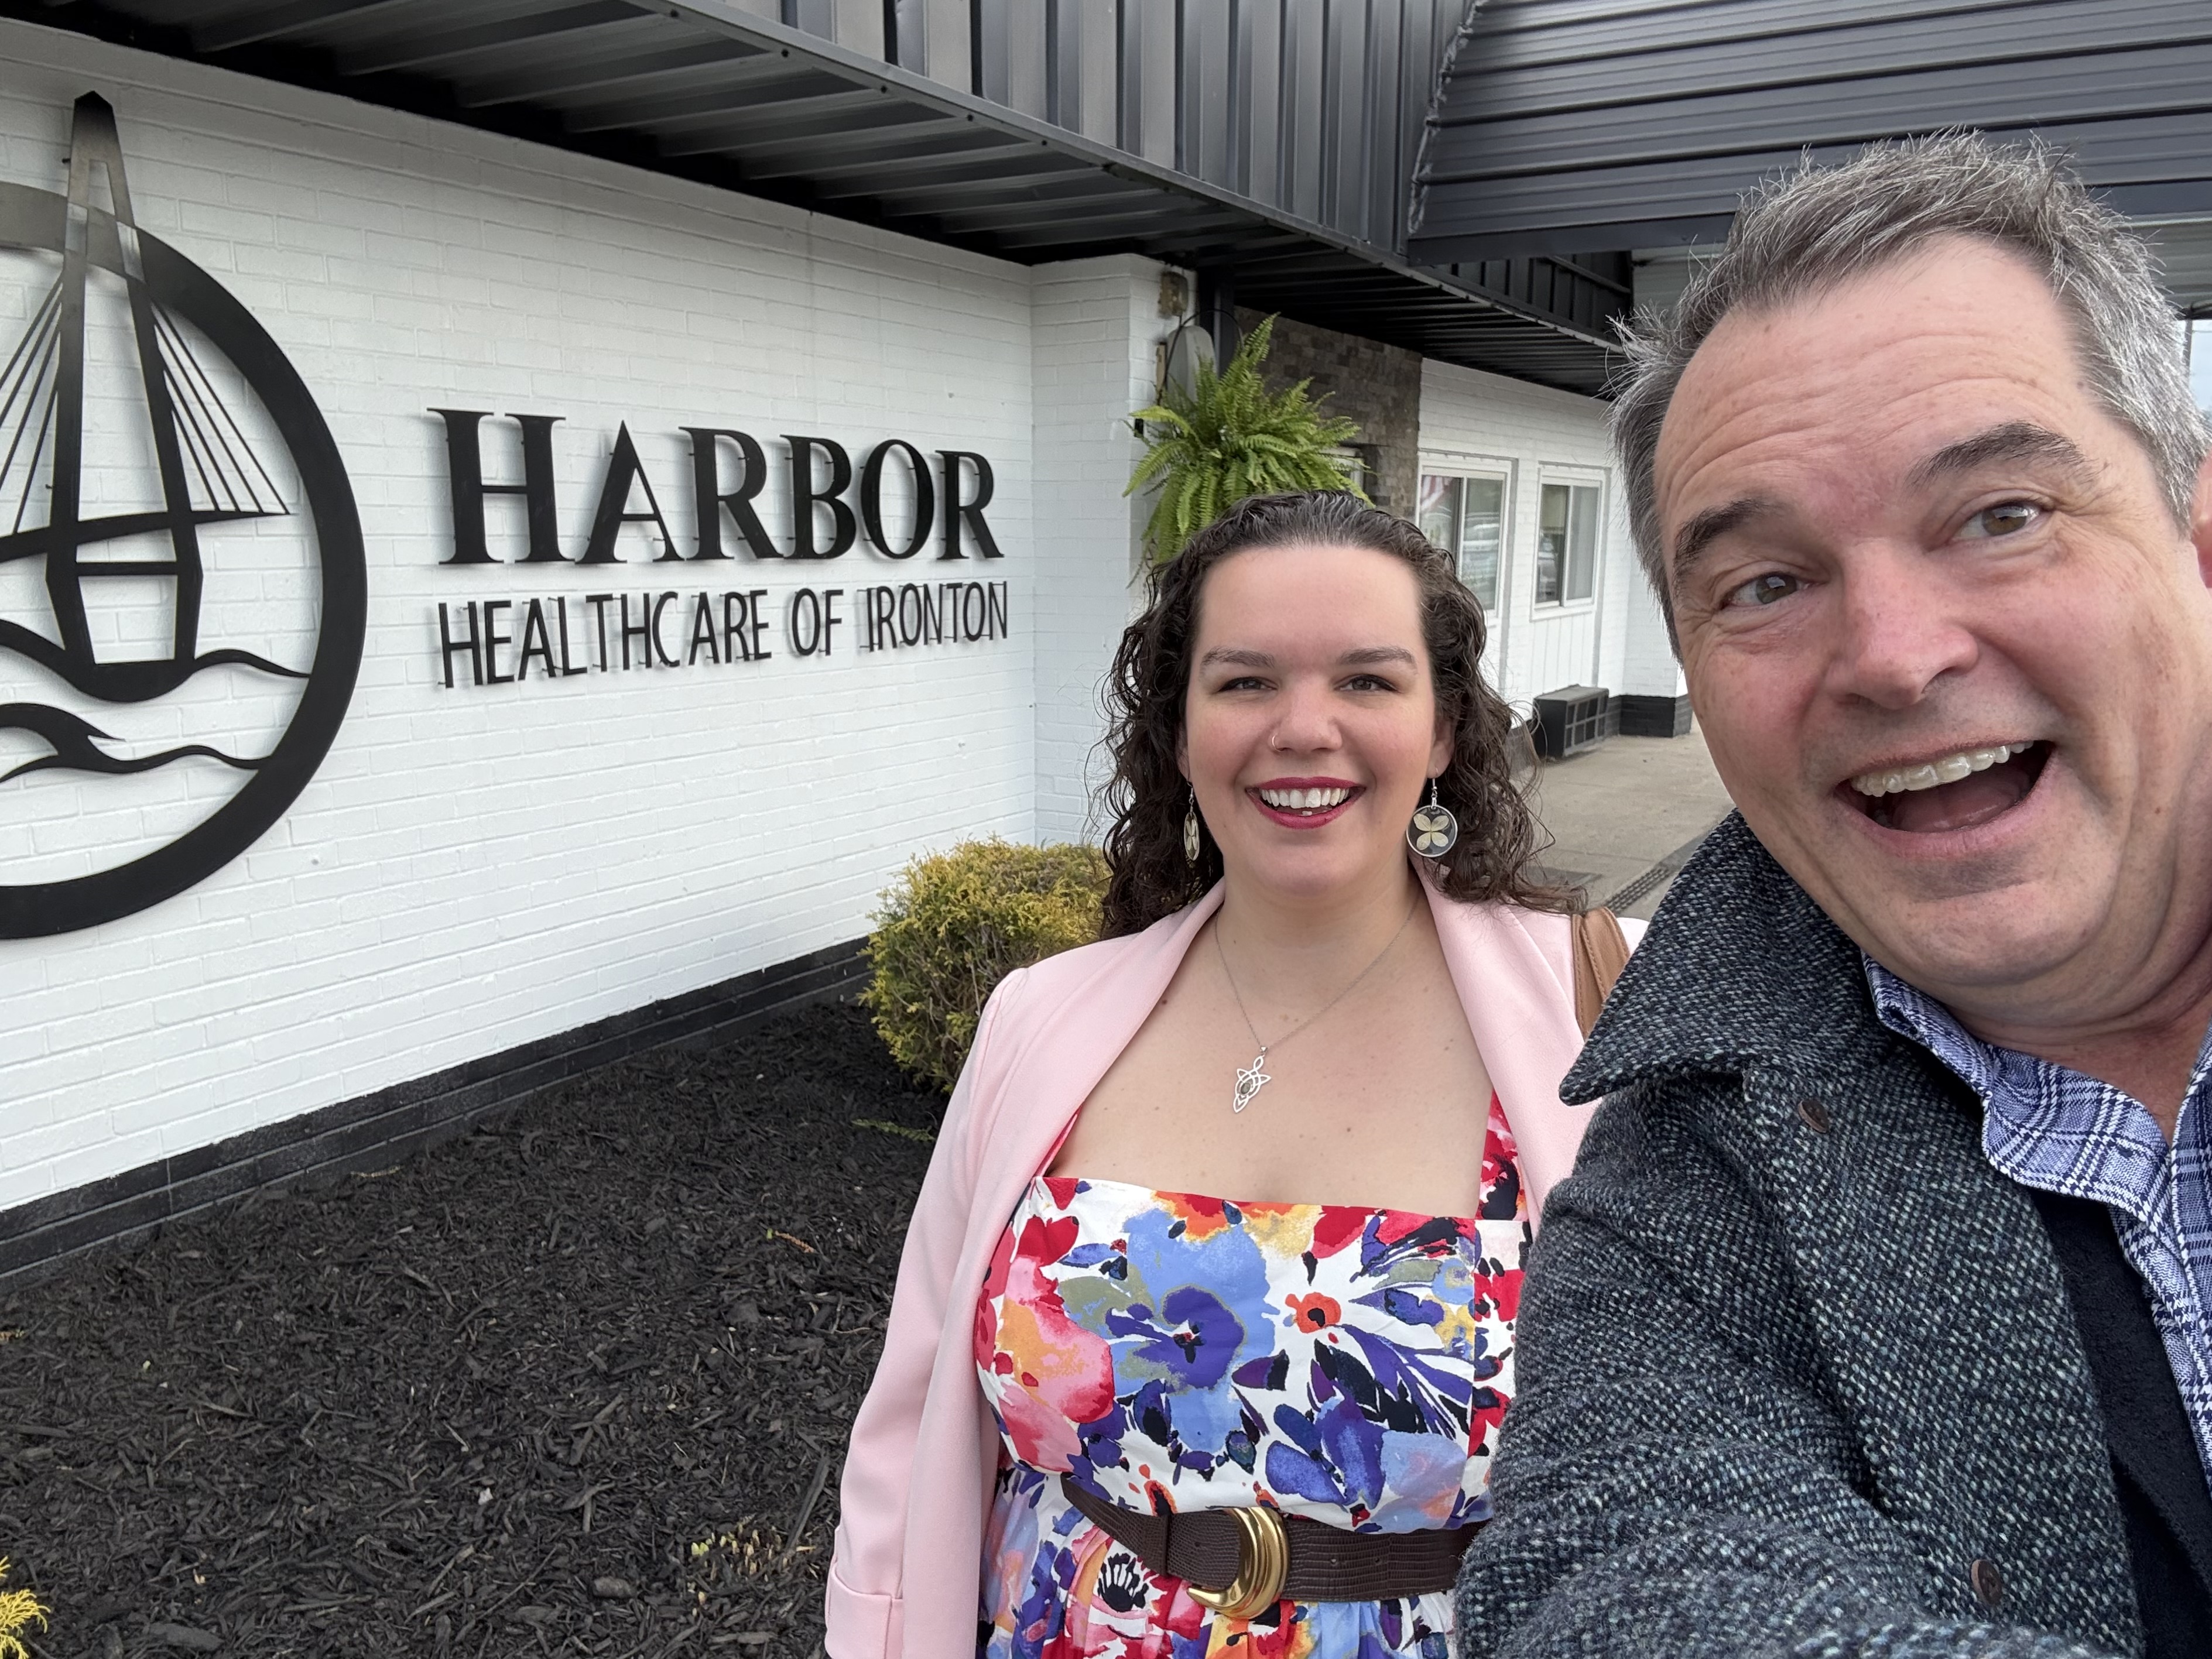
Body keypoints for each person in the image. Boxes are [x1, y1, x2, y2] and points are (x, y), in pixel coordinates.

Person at [1453, 136, 2212, 1659]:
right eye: (1763, 584)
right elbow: (1621, 1574)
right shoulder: (1680, 1194)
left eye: (1999, 513)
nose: (1891, 651)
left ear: (2199, 543)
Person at [826, 492, 1629, 1659]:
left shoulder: (1599, 1012)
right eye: (1245, 680)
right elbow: (908, 1422)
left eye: (1367, 680)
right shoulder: (1039, 1021)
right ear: (1181, 725)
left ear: (1445, 727)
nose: (1303, 728)